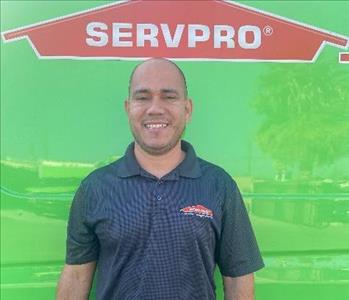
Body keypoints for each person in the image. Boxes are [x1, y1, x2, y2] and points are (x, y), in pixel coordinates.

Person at [56, 58, 264, 300]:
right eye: (143, 97)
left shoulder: (219, 185)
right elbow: (77, 275)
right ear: (128, 108)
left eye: (169, 96)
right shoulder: (95, 188)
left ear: (187, 109)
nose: (155, 108)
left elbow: (238, 277)